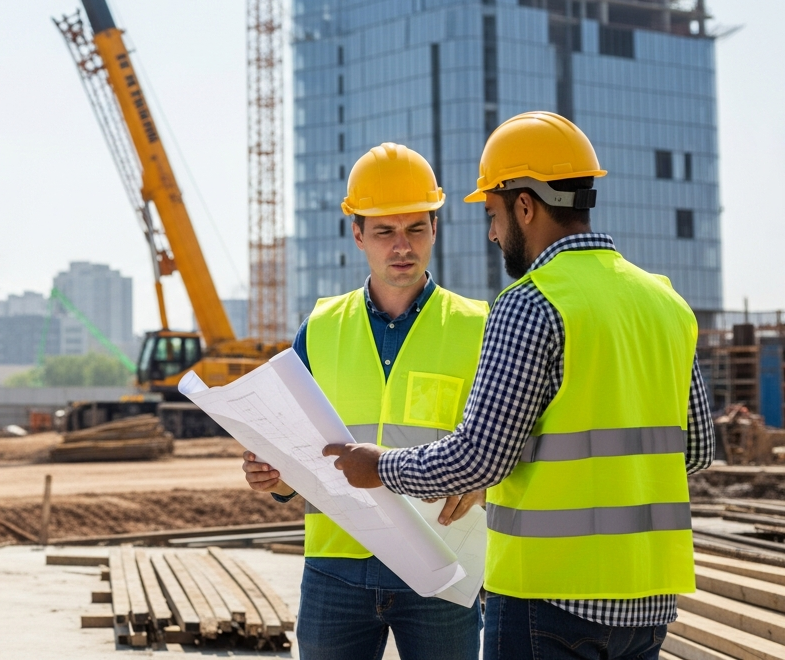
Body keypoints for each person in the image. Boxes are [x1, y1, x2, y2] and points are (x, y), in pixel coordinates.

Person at [323, 112, 713, 660]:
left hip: (547, 598)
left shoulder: (530, 305)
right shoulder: (666, 303)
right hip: (648, 604)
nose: (492, 231)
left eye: (493, 213)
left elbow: (480, 457)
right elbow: (695, 452)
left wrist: (379, 465)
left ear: (524, 206)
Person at [242, 143, 489, 660]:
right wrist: (278, 479)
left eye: (416, 228)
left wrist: (488, 483)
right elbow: (297, 450)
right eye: (384, 231)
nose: (403, 245)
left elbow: (507, 443)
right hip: (338, 565)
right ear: (358, 234)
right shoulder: (321, 328)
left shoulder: (478, 326)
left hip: (442, 562)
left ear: (435, 229)